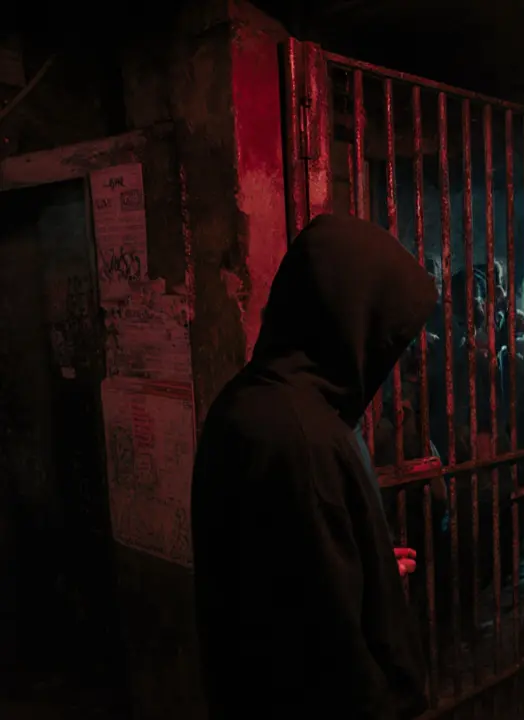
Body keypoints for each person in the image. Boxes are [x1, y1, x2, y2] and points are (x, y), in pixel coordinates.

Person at [191, 214, 435, 719]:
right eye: (385, 336)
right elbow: (333, 652)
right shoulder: (307, 439)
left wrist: (360, 564)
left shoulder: (248, 401)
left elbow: (284, 572)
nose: (387, 360)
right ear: (348, 319)